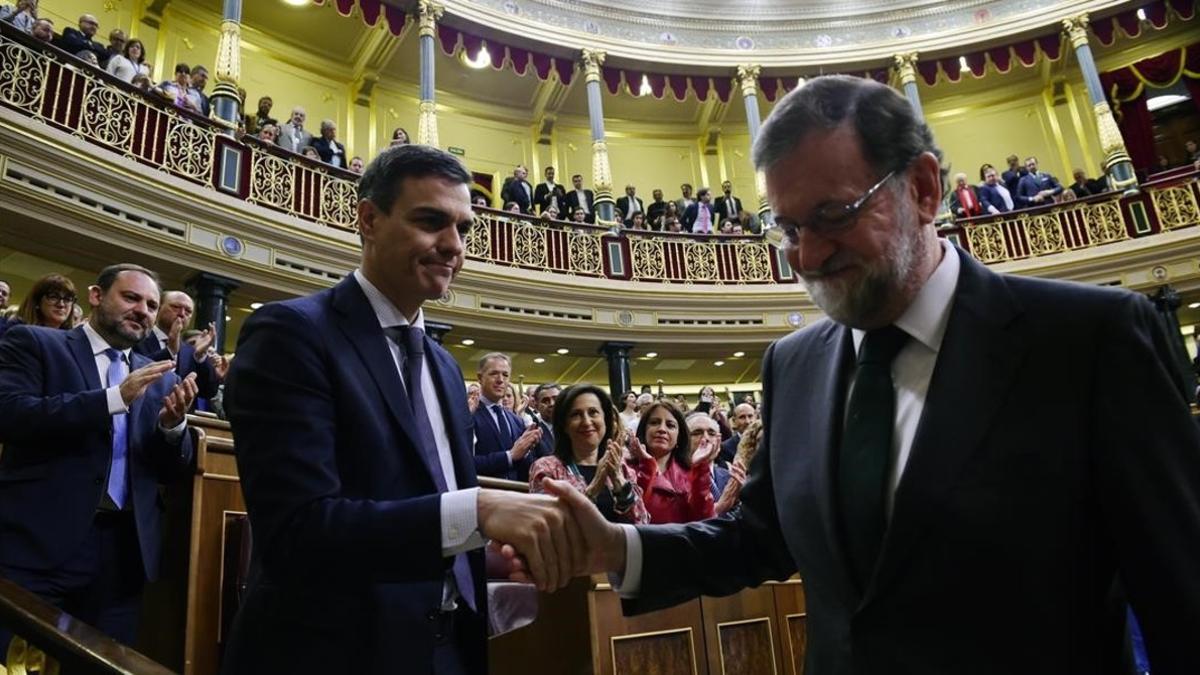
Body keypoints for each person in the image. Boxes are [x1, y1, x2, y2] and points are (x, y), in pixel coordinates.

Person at [546, 75, 1200, 674]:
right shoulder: (794, 364)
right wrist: (617, 547)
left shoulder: (1091, 340)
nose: (805, 254)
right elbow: (760, 536)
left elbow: (1180, 592)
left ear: (922, 187)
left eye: (833, 216)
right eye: (787, 227)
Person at [220, 144, 584, 674]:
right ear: (369, 219)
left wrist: (481, 554)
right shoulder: (291, 334)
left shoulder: (440, 365)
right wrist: (478, 512)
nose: (453, 246)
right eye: (431, 221)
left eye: (463, 229)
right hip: (333, 653)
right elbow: (299, 529)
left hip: (448, 647)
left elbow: (424, 515)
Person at [0, 263, 197, 646]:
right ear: (95, 296)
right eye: (131, 297)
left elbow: (170, 469)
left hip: (123, 555)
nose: (143, 310)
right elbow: (9, 415)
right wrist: (112, 399)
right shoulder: (37, 342)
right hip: (38, 544)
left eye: (152, 305)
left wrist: (173, 428)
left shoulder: (159, 376)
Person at [528, 384, 648, 524]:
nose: (586, 422)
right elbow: (550, 526)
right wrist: (593, 489)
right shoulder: (546, 469)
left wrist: (619, 483)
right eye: (576, 415)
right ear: (564, 425)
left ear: (605, 420)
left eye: (593, 412)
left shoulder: (620, 466)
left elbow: (642, 523)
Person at [629, 401, 717, 524]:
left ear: (679, 437)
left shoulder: (691, 473)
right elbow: (632, 515)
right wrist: (647, 465)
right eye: (654, 423)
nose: (662, 429)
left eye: (670, 425)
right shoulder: (626, 469)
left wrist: (700, 468)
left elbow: (705, 520)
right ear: (644, 430)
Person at [133, 290, 222, 404]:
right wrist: (169, 351)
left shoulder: (190, 350)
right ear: (158, 307)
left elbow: (208, 391)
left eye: (188, 311)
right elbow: (135, 371)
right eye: (176, 307)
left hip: (176, 419)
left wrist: (201, 358)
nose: (182, 313)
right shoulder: (137, 336)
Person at [471, 352, 540, 481]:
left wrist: (527, 450)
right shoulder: (468, 415)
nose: (500, 380)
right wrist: (509, 456)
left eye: (505, 375)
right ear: (480, 378)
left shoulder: (517, 420)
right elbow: (465, 463)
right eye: (494, 373)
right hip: (483, 495)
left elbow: (523, 467)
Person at [3, 273, 76, 337]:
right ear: (37, 301)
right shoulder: (16, 329)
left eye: (67, 299)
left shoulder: (71, 339)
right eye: (53, 297)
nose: (61, 304)